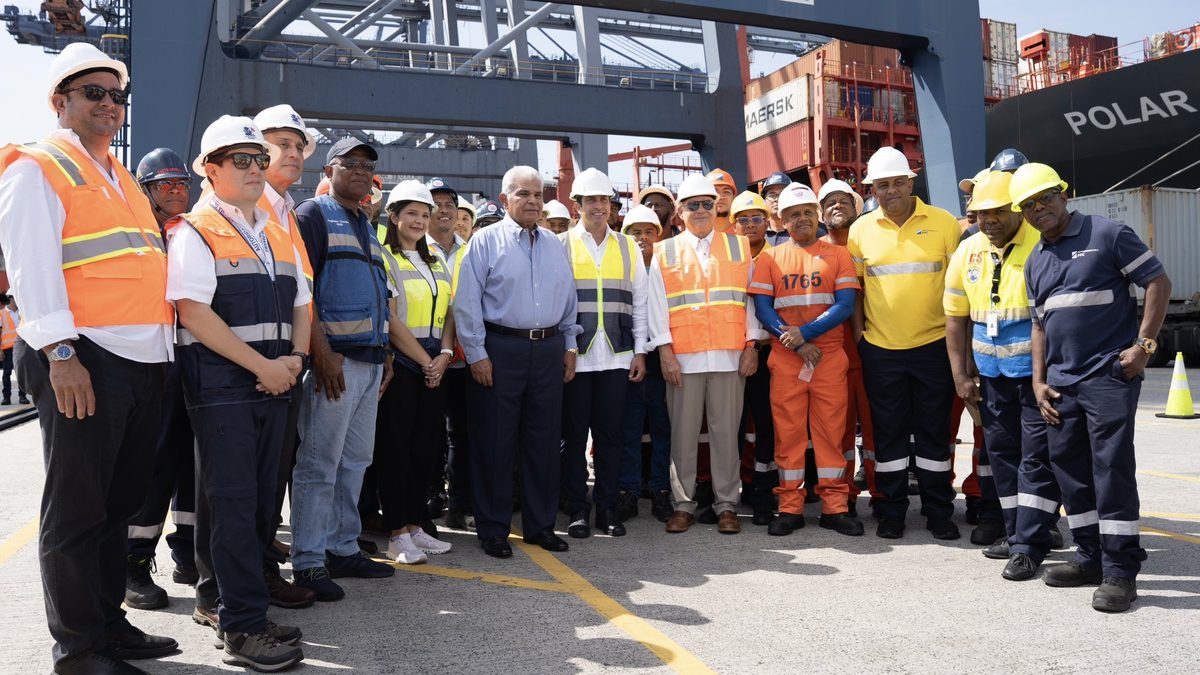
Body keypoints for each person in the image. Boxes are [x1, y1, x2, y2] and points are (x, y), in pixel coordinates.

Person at [0, 42, 178, 675]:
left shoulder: (117, 174)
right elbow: (32, 267)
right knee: (77, 509)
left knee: (117, 504)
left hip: (142, 360)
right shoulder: (37, 166)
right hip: (85, 357)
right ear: (60, 101)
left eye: (117, 95)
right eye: (94, 93)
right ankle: (78, 650)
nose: (110, 104)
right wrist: (61, 353)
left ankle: (107, 623)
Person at [168, 115, 309, 671]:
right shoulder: (195, 230)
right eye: (241, 160)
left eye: (259, 159)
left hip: (276, 384)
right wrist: (265, 367)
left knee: (259, 506)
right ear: (211, 169)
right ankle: (242, 628)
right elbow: (193, 313)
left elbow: (301, 301)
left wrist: (295, 360)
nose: (255, 168)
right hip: (224, 389)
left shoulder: (275, 229)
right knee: (232, 505)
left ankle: (240, 606)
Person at [1017, 162, 1171, 612]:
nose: (1038, 208)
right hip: (1060, 385)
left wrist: (1144, 346)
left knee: (1111, 470)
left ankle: (1120, 570)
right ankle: (1089, 557)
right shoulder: (1035, 260)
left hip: (1107, 377)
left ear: (1064, 195)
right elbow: (1039, 326)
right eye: (1028, 204)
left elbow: (1157, 281)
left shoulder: (1107, 234)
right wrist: (1038, 381)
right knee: (1071, 473)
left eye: (1045, 197)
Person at [453, 165, 579, 558]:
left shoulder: (555, 244)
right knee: (495, 441)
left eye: (538, 194)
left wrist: (570, 345)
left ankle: (541, 526)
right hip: (500, 349)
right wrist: (477, 354)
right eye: (524, 194)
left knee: (544, 441)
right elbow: (467, 302)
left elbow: (568, 298)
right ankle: (493, 529)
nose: (533, 201)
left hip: (548, 349)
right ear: (505, 199)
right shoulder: (484, 241)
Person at [943, 170, 1063, 581]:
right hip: (992, 379)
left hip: (1035, 378)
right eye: (981, 213)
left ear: (1016, 210)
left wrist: (1044, 379)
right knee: (1004, 458)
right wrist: (961, 375)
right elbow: (956, 318)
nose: (989, 220)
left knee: (1036, 459)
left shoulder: (1040, 244)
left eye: (997, 212)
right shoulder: (967, 250)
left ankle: (1030, 544)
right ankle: (1017, 536)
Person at [291, 137, 396, 601]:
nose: (359, 170)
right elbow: (302, 290)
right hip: (335, 364)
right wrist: (321, 351)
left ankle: (342, 547)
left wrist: (386, 351)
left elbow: (375, 295)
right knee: (319, 464)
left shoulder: (366, 224)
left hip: (369, 363)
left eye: (367, 165)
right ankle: (309, 562)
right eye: (349, 163)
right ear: (329, 170)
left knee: (355, 463)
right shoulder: (314, 215)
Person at [849, 146, 963, 541]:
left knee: (934, 432)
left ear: (911, 183)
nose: (891, 190)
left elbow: (958, 287)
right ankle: (891, 510)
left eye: (898, 182)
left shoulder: (944, 223)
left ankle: (938, 511)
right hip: (881, 350)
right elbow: (857, 291)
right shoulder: (860, 231)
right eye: (883, 185)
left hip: (933, 346)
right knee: (888, 434)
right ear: (873, 190)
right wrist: (861, 337)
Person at [647, 174, 764, 535]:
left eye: (707, 204)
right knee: (683, 436)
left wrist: (752, 346)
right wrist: (665, 353)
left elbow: (751, 302)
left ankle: (726, 505)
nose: (701, 210)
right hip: (684, 359)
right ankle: (683, 505)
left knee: (726, 434)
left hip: (730, 356)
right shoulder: (665, 251)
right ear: (679, 212)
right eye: (692, 205)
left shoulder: (739, 247)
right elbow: (656, 306)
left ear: (716, 209)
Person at [749, 183, 864, 536]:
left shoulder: (838, 255)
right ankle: (789, 507)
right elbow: (763, 308)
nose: (802, 218)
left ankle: (835, 507)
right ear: (782, 220)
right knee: (789, 435)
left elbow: (845, 305)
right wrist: (798, 343)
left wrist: (806, 334)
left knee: (831, 433)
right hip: (788, 357)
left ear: (818, 216)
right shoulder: (769, 258)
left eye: (807, 212)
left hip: (828, 356)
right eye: (794, 214)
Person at [245, 103, 323, 610]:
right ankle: (243, 579)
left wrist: (298, 353)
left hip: (285, 358)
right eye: (281, 144)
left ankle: (259, 565)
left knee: (271, 475)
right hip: (253, 363)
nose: (292, 153)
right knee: (245, 482)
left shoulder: (284, 208)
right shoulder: (244, 204)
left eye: (298, 146)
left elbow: (299, 291)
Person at [122, 148, 198, 612]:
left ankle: (188, 552)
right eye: (164, 184)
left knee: (194, 464)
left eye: (181, 183)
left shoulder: (193, 231)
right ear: (145, 189)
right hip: (156, 362)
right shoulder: (137, 233)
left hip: (197, 360)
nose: (175, 191)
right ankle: (133, 560)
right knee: (155, 465)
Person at [559, 168, 648, 538]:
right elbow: (556, 302)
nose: (598, 206)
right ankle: (578, 509)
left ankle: (607, 508)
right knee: (573, 437)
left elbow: (640, 303)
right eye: (591, 199)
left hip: (617, 355)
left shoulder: (627, 246)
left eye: (604, 199)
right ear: (577, 205)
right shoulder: (560, 244)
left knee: (611, 436)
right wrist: (565, 347)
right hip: (575, 356)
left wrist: (640, 351)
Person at [373, 180, 457, 564]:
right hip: (404, 367)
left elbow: (450, 311)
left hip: (435, 365)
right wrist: (427, 362)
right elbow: (391, 319)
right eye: (411, 213)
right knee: (396, 452)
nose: (420, 221)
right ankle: (396, 534)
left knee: (425, 450)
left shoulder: (435, 258)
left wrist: (445, 354)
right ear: (393, 216)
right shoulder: (385, 257)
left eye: (425, 214)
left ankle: (415, 524)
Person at [418, 178, 474, 533]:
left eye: (449, 204)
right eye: (435, 204)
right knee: (427, 434)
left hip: (466, 359)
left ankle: (460, 504)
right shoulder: (412, 248)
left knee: (462, 435)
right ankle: (429, 497)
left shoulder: (473, 249)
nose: (444, 210)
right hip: (425, 357)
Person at [817, 180, 873, 515]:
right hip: (832, 357)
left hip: (874, 352)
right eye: (830, 203)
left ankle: (882, 495)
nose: (837, 206)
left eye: (844, 201)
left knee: (877, 430)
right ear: (821, 213)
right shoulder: (813, 253)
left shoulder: (871, 244)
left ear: (856, 208)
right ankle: (844, 497)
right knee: (837, 433)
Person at [616, 205, 674, 522]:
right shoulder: (619, 267)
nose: (642, 238)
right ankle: (629, 491)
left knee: (662, 427)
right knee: (630, 427)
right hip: (628, 355)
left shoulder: (670, 268)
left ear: (658, 235)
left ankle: (661, 490)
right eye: (635, 232)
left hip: (662, 356)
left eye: (649, 232)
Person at [729, 191, 777, 526]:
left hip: (766, 352)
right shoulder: (726, 258)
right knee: (730, 427)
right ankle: (727, 497)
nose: (749, 225)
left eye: (756, 218)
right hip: (730, 353)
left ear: (767, 222)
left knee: (765, 425)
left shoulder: (778, 257)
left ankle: (763, 495)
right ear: (733, 225)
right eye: (743, 219)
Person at [0, 293, 28, 404]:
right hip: (8, 348)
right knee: (7, 373)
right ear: (11, 299)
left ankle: (22, 396)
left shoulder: (22, 312)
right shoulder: (1, 313)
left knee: (21, 372)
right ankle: (6, 397)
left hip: (22, 346)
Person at [758, 171, 791, 245]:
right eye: (771, 195)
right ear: (764, 200)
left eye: (782, 194)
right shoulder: (758, 234)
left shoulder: (799, 231)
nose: (777, 199)